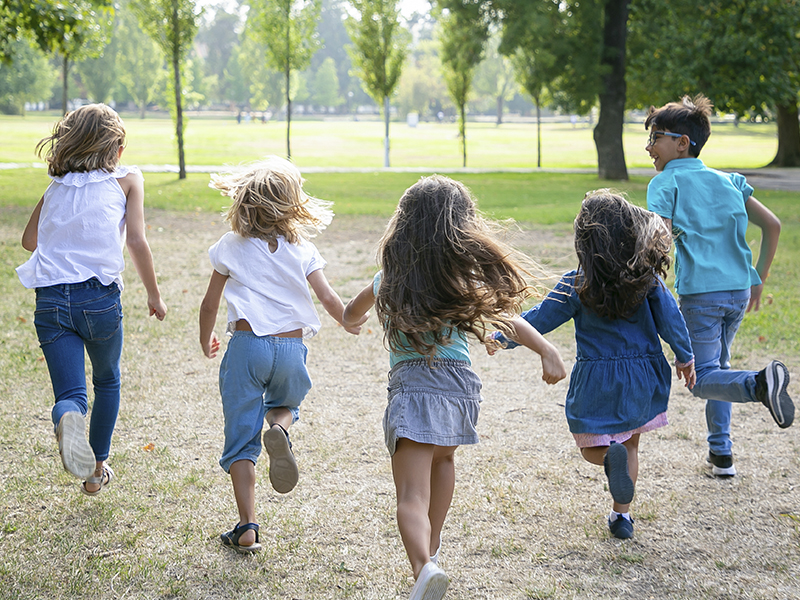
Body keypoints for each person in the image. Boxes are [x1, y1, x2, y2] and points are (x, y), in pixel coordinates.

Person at [342, 175, 566, 599]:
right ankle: (433, 548)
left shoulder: (388, 278)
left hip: (414, 388)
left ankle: (423, 566)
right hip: (460, 387)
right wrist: (546, 350)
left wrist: (352, 320)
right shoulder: (460, 278)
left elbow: (352, 313)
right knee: (444, 462)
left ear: (403, 227)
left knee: (410, 494)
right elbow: (509, 319)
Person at [491, 190, 696, 540]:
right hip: (643, 374)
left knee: (592, 445)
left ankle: (606, 460)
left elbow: (541, 318)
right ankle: (622, 516)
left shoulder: (577, 281)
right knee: (630, 443)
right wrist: (685, 355)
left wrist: (503, 336)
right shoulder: (646, 277)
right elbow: (671, 319)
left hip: (598, 377)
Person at [199, 156, 366, 554]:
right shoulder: (301, 248)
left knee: (241, 438)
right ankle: (281, 429)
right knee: (285, 404)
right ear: (292, 206)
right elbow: (326, 296)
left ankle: (247, 527)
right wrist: (346, 320)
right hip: (291, 348)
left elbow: (209, 303)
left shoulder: (230, 246)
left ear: (244, 203)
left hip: (246, 346)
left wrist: (205, 338)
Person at [16, 103, 167, 496]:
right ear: (116, 149)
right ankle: (96, 470)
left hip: (50, 302)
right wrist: (154, 294)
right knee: (107, 379)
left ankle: (67, 417)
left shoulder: (56, 187)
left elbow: (29, 241)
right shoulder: (128, 179)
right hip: (98, 299)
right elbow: (136, 240)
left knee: (70, 395)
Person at [645, 94, 794, 478]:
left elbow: (658, 242)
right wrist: (758, 277)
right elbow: (773, 226)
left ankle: (760, 385)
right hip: (739, 291)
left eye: (656, 137)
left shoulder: (664, 183)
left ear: (682, 142)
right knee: (718, 370)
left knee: (703, 379)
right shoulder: (730, 181)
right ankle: (721, 455)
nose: (649, 147)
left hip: (702, 295)